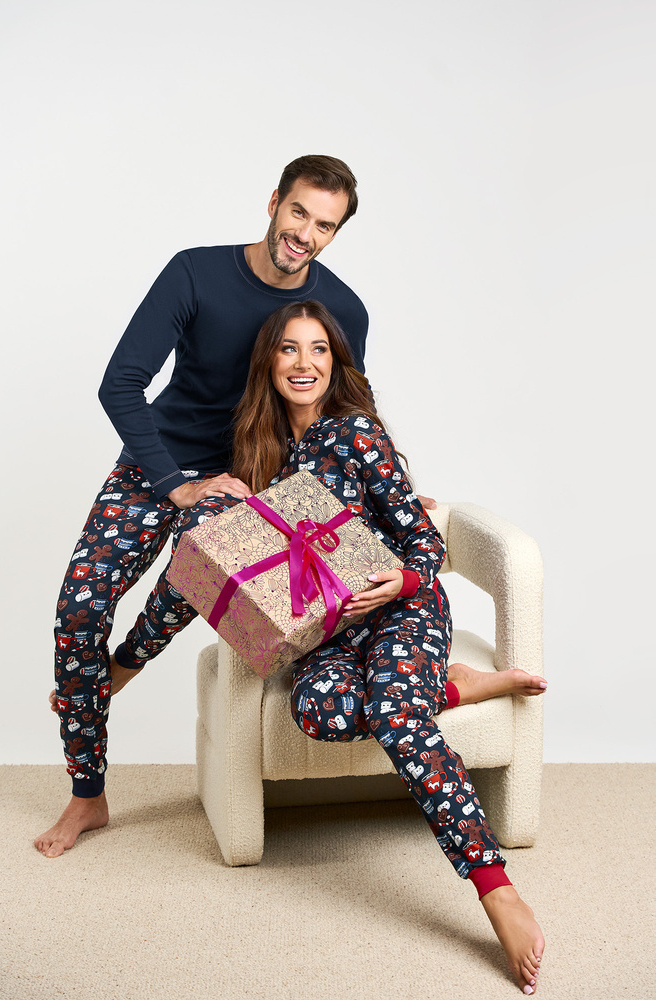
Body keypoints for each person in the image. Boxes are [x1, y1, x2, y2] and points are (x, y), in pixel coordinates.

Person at [35, 155, 373, 859]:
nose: (305, 234)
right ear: (274, 202)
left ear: (335, 233)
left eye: (324, 225)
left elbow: (341, 411)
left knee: (199, 567)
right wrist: (173, 482)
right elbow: (120, 383)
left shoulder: (342, 310)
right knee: (77, 612)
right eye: (299, 212)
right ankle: (87, 793)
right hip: (156, 462)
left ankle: (128, 661)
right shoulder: (195, 271)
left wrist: (386, 486)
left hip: (248, 479)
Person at [229, 300, 546, 995]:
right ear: (268, 363)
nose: (304, 363)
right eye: (288, 348)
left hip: (401, 607)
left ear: (335, 362)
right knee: (319, 712)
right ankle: (454, 686)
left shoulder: (355, 433)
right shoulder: (257, 460)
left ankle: (494, 887)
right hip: (327, 634)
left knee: (395, 710)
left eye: (319, 349)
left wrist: (398, 579)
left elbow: (424, 544)